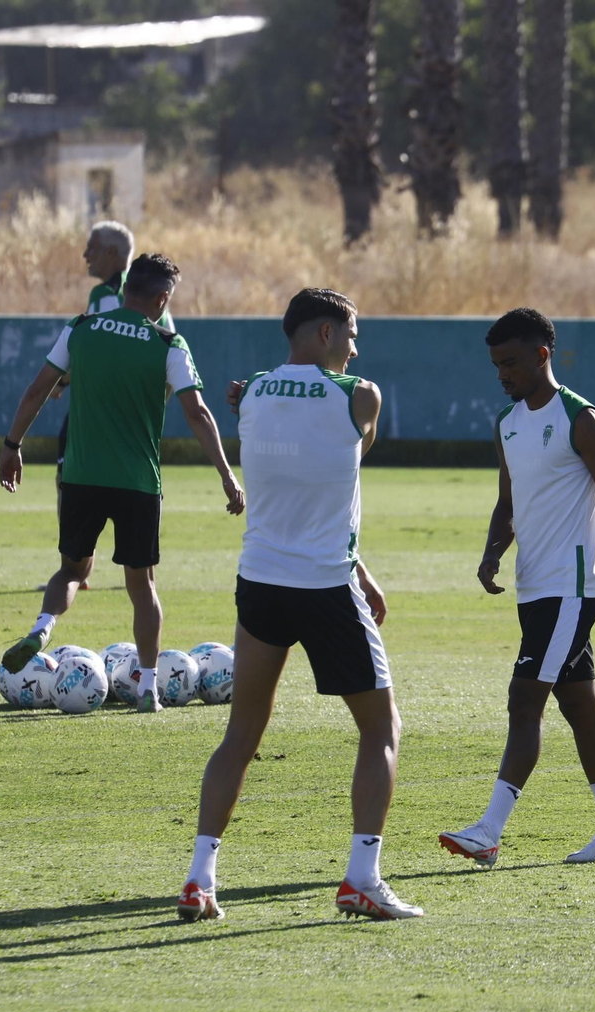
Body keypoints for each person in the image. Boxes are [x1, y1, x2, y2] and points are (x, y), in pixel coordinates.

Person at [177, 288, 421, 923]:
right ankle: (362, 877)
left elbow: (301, 484)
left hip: (259, 581)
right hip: (323, 585)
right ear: (321, 334)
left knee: (241, 734)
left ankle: (200, 878)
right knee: (382, 728)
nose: (355, 346)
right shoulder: (358, 394)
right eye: (350, 333)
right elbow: (349, 460)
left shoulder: (252, 391)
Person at [439, 307, 595, 868]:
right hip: (533, 588)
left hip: (572, 587)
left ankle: (488, 831)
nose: (502, 375)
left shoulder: (583, 421)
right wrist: (493, 551)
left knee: (525, 700)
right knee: (579, 706)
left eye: (510, 362)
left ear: (543, 355)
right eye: (495, 365)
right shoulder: (507, 423)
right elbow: (508, 503)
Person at [0, 253, 244, 716]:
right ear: (163, 298)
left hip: (81, 477)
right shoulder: (169, 343)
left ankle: (43, 626)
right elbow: (198, 413)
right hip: (137, 484)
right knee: (142, 585)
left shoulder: (81, 329)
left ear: (126, 287)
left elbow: (37, 390)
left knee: (72, 572)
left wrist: (13, 445)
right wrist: (228, 476)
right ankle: (148, 687)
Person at [48, 222, 177, 574]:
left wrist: (62, 382)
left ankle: (76, 567)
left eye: (91, 247)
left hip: (96, 411)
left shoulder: (106, 295)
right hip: (138, 418)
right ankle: (132, 569)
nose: (85, 254)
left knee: (70, 478)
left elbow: (101, 348)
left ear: (111, 253)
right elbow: (168, 359)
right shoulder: (157, 297)